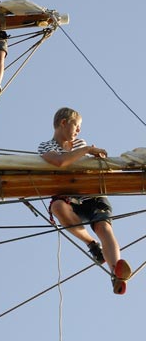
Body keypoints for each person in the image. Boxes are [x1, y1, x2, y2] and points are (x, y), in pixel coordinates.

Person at [38, 107, 131, 294]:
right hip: (68, 197)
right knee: (57, 206)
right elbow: (59, 162)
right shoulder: (45, 146)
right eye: (77, 126)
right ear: (64, 123)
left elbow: (85, 162)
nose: (79, 131)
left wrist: (98, 157)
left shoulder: (80, 142)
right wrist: (88, 150)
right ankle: (91, 244)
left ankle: (116, 274)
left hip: (92, 194)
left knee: (103, 227)